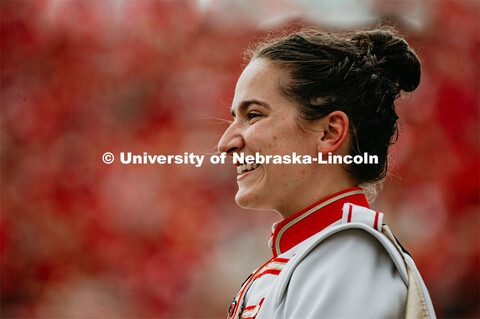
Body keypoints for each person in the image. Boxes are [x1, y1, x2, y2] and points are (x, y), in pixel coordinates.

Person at [218, 28, 436, 319]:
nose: (226, 143)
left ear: (330, 132)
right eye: (235, 118)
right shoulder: (322, 256)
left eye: (253, 115)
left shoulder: (349, 257)